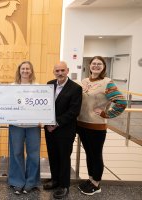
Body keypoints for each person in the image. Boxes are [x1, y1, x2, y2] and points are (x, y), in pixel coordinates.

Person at [76, 56, 127, 196]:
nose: (96, 66)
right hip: (81, 124)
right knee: (88, 154)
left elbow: (121, 102)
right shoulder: (84, 81)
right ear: (89, 65)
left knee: (96, 155)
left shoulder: (107, 83)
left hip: (96, 126)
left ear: (103, 67)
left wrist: (106, 114)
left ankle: (96, 184)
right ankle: (91, 179)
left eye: (99, 64)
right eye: (94, 63)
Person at [43, 61, 82, 199]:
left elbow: (74, 111)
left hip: (65, 130)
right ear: (54, 72)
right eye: (57, 71)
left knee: (64, 158)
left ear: (67, 71)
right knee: (52, 155)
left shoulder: (76, 88)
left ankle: (64, 186)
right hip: (49, 129)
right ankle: (55, 180)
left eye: (62, 70)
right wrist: (47, 123)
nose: (60, 73)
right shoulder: (49, 84)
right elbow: (44, 105)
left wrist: (56, 123)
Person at [8, 61, 41, 195]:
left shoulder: (39, 87)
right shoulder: (12, 87)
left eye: (28, 68)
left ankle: (31, 182)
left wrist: (44, 118)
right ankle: (17, 181)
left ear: (31, 71)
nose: (25, 71)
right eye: (23, 68)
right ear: (19, 71)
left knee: (33, 154)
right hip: (16, 125)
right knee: (16, 153)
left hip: (33, 126)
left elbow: (42, 106)